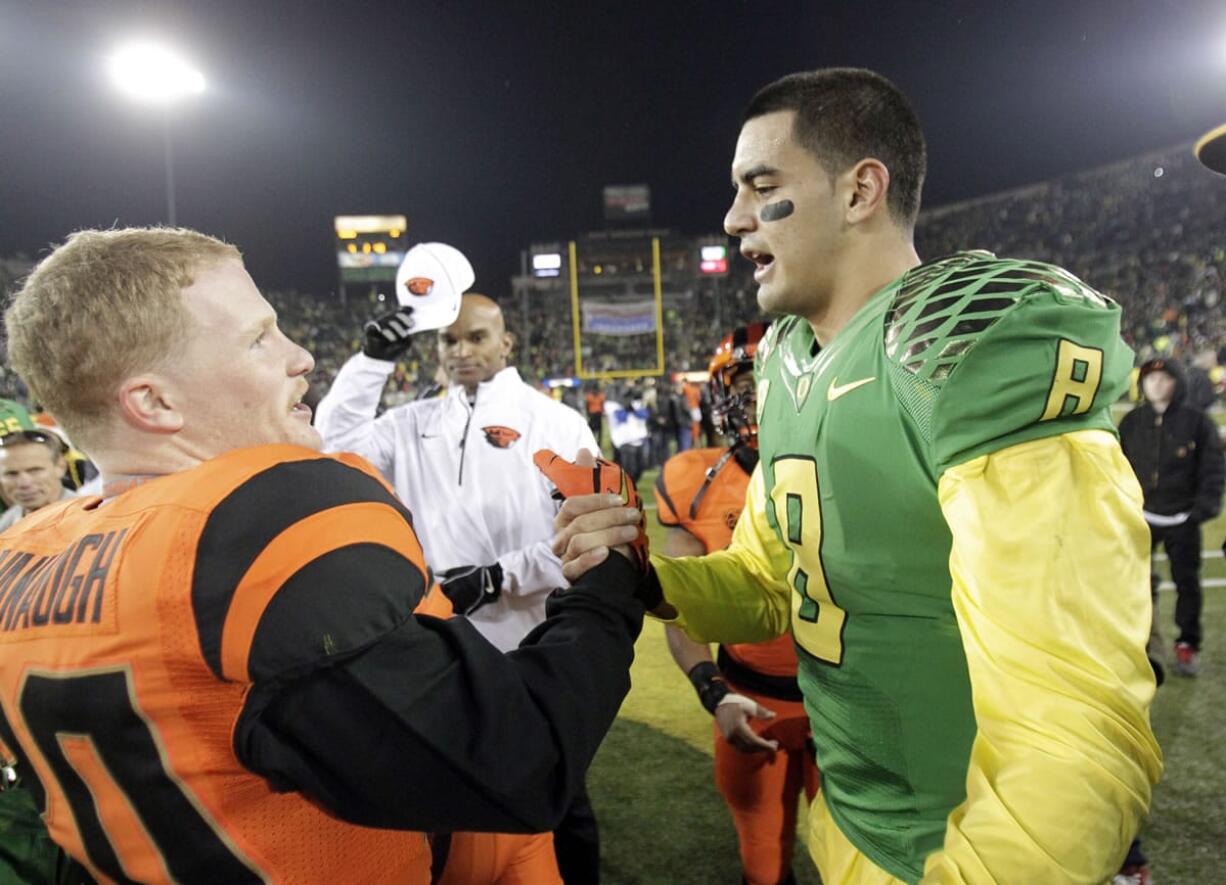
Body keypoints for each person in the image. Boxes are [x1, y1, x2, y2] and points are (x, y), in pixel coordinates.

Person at [550, 68, 1161, 882]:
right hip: (846, 817)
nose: (734, 218)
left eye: (761, 185)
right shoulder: (787, 357)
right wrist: (650, 578)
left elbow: (1074, 725)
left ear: (860, 190)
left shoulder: (963, 341)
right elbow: (774, 579)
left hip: (956, 846)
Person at [0, 227, 647, 883]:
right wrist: (608, 584)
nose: (302, 355)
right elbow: (520, 760)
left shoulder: (20, 559)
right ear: (154, 400)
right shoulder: (252, 529)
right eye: (258, 338)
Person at [315, 289, 604, 882]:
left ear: (507, 343)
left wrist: (501, 576)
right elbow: (331, 447)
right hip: (442, 645)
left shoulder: (555, 421)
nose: (462, 351)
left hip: (531, 641)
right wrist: (370, 362)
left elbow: (589, 533)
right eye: (450, 340)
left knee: (558, 796)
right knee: (458, 800)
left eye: (477, 337)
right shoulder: (412, 422)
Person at [657, 323, 817, 885]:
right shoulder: (695, 481)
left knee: (868, 862)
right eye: (746, 386)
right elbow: (681, 602)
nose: (758, 399)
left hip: (850, 700)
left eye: (772, 382)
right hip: (749, 692)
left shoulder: (853, 462)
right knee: (763, 862)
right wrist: (712, 689)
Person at [1119, 358, 1224, 677]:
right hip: (1141, 518)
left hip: (1183, 519)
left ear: (1176, 382)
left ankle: (1187, 644)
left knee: (1187, 584)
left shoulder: (1198, 422)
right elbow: (1116, 468)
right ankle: (1146, 645)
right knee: (1137, 584)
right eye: (1151, 379)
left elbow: (1213, 469)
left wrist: (1201, 510)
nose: (1157, 384)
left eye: (1165, 379)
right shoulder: (1131, 422)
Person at [0, 428, 77, 531]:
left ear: (60, 467)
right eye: (11, 474)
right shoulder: (7, 523)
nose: (24, 483)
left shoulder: (90, 514)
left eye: (34, 470)